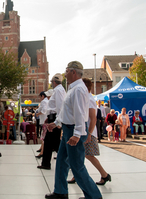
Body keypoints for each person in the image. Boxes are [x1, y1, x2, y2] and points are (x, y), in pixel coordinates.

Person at [46, 61, 102, 199]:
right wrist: (57, 122)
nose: (65, 74)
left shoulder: (78, 89)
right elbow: (67, 110)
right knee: (61, 162)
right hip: (68, 129)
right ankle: (60, 192)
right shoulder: (73, 88)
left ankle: (94, 196)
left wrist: (77, 134)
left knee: (77, 166)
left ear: (73, 72)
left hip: (73, 130)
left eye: (66, 71)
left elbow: (80, 113)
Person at [67, 78, 111, 187]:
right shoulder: (86, 98)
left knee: (88, 155)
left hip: (88, 132)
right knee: (83, 155)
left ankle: (104, 174)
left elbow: (93, 118)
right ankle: (101, 175)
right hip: (86, 132)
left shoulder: (90, 99)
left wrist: (89, 134)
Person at [38, 74, 66, 170]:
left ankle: (67, 161)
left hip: (55, 118)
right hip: (53, 117)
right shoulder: (58, 90)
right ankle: (46, 163)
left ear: (54, 82)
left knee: (54, 142)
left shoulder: (58, 91)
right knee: (50, 141)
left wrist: (57, 122)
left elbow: (60, 106)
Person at [35, 91, 48, 159]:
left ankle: (42, 152)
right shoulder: (47, 101)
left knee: (43, 136)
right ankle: (41, 149)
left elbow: (44, 111)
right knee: (44, 135)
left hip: (44, 121)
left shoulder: (44, 102)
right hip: (46, 120)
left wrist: (37, 114)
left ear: (43, 96)